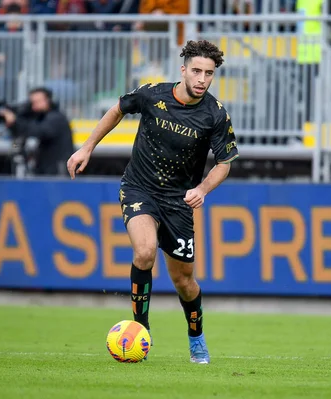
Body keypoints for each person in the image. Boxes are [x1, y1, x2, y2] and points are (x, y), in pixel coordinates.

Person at [66, 40, 239, 365]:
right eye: (197, 71)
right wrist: (87, 147)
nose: (202, 79)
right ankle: (140, 328)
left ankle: (196, 336)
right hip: (139, 188)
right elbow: (119, 108)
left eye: (209, 73)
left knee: (184, 282)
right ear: (183, 69)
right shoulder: (152, 94)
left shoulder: (215, 114)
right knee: (144, 251)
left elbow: (225, 162)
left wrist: (202, 189)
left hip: (179, 202)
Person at [0, 87, 74, 176]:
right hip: (45, 171)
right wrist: (12, 124)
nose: (33, 106)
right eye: (32, 102)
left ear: (48, 100)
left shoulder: (56, 118)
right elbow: (23, 133)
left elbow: (38, 131)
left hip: (56, 172)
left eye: (37, 102)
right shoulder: (39, 117)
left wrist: (15, 121)